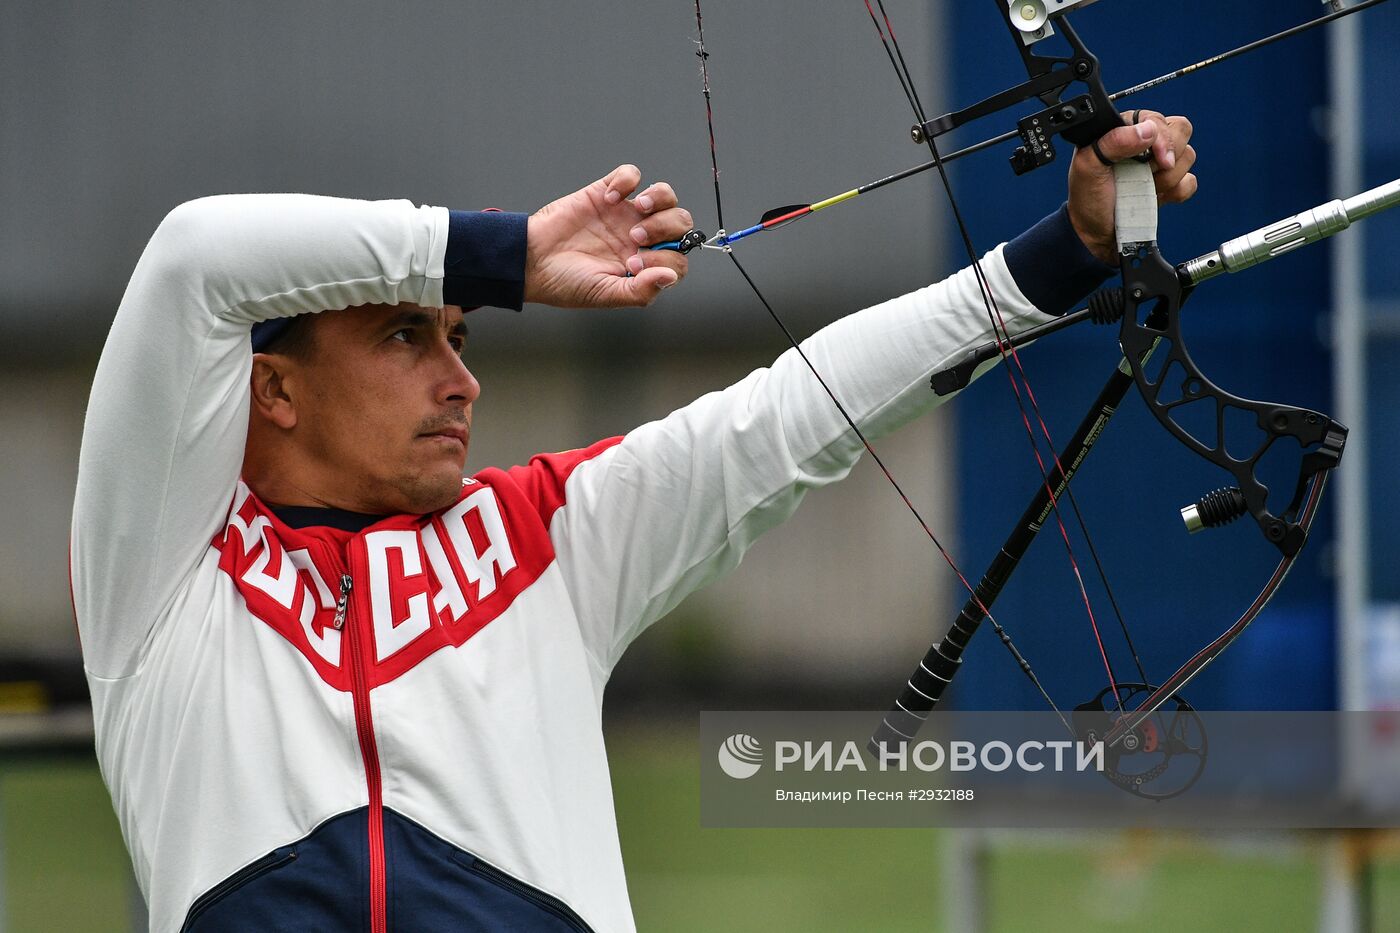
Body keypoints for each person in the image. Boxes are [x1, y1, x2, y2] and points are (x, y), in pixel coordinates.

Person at [71, 112, 1195, 931]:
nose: (462, 380)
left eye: (463, 337)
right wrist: (506, 257)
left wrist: (1066, 254)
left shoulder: (552, 533)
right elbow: (194, 257)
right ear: (272, 390)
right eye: (407, 337)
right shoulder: (166, 572)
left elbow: (794, 411)